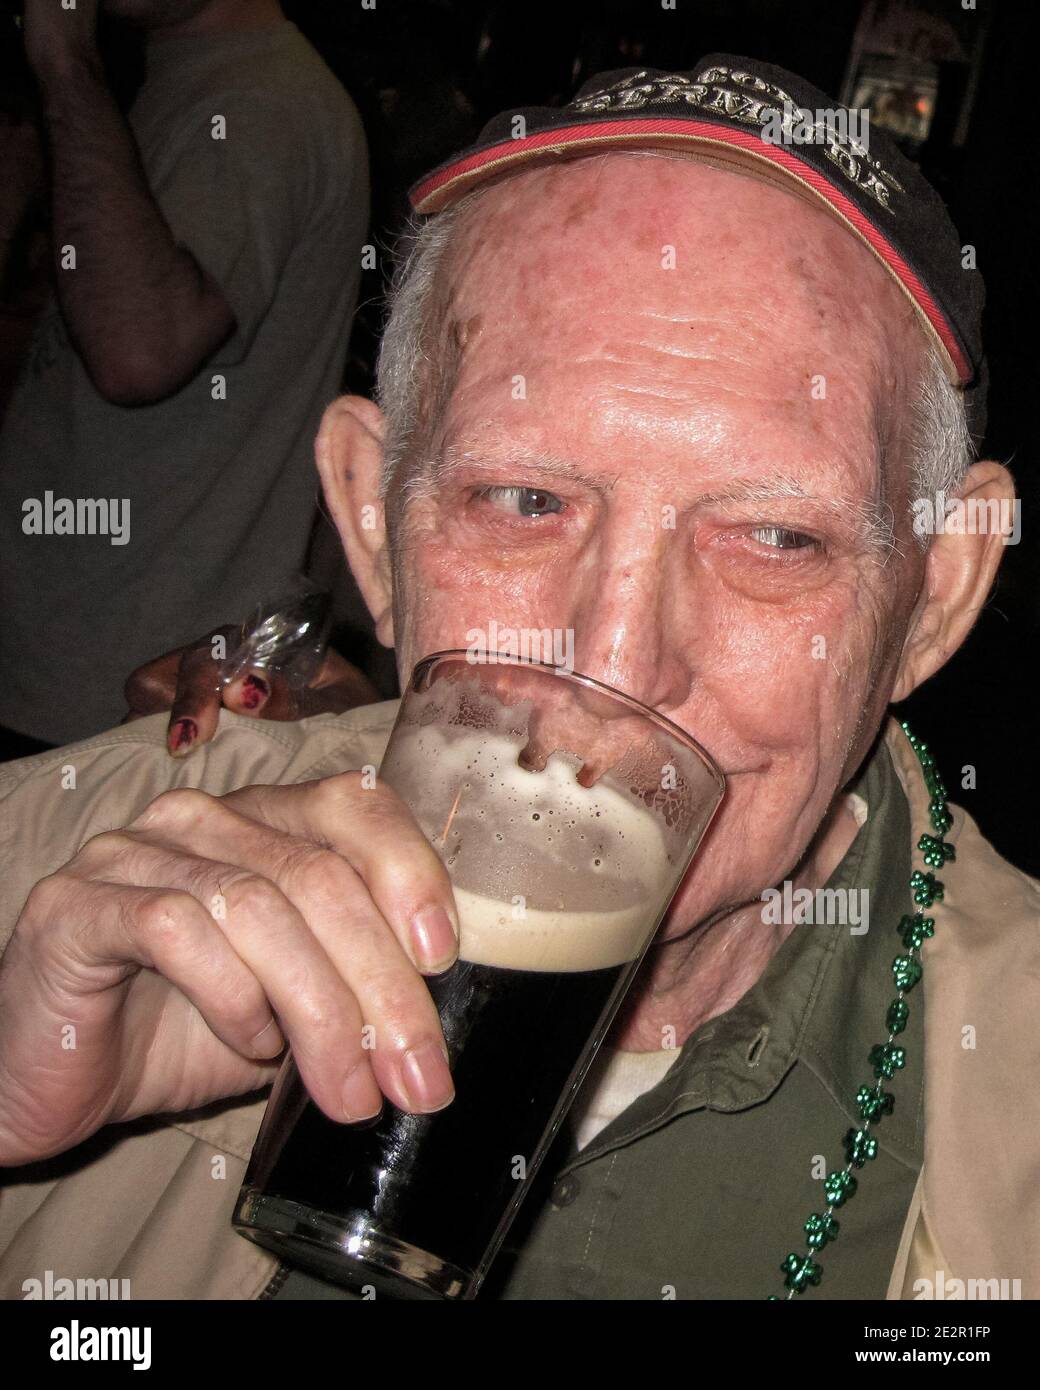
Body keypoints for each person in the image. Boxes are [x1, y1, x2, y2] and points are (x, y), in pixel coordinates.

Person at [0, 57, 1036, 1301]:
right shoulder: (45, 892)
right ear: (373, 528)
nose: (614, 664)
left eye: (774, 537)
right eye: (522, 501)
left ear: (932, 596)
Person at [0, 0, 369, 753]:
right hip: (79, 670)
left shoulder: (261, 100)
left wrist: (64, 62)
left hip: (120, 693)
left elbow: (140, 350)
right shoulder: (192, 82)